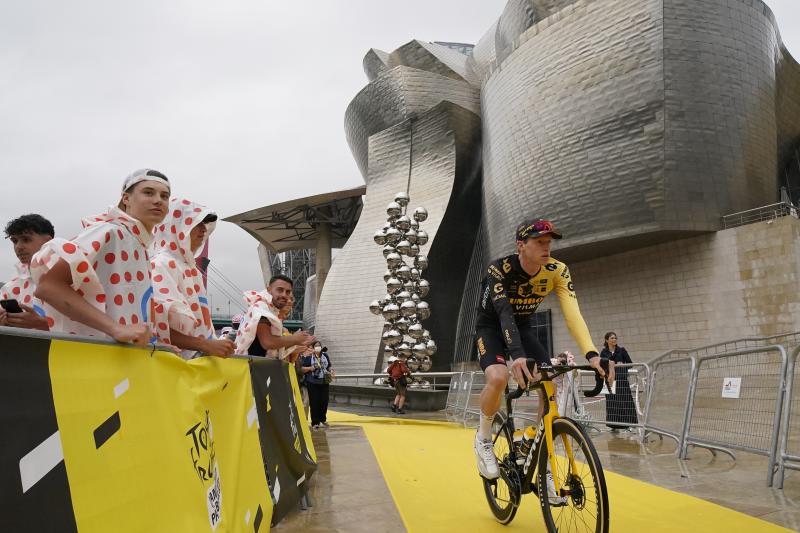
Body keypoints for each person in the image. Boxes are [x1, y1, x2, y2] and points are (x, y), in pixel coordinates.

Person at [472, 218, 604, 487]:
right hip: (492, 327)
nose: (547, 248)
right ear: (521, 245)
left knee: (549, 384)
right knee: (498, 377)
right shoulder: (500, 269)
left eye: (549, 242)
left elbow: (572, 314)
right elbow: (504, 312)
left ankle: (535, 445)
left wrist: (592, 354)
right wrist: (517, 355)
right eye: (540, 242)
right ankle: (483, 439)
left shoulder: (558, 270)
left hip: (522, 327)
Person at [32, 169, 171, 344]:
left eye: (164, 196)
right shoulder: (111, 231)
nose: (158, 200)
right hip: (98, 357)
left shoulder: (136, 242)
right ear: (126, 199)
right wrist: (116, 328)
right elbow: (49, 287)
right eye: (148, 193)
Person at [150, 197, 233, 359]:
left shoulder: (190, 268)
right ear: (176, 226)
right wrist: (205, 345)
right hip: (168, 367)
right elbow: (156, 327)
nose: (203, 230)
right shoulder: (161, 264)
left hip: (188, 366)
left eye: (205, 224)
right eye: (196, 224)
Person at [234, 275, 314, 356]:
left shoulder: (270, 310)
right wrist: (295, 339)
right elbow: (267, 342)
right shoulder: (262, 309)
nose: (284, 295)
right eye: (280, 290)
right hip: (251, 366)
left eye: (288, 292)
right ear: (269, 290)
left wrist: (296, 341)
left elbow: (272, 347)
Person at [0, 214, 54, 330]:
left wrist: (44, 325)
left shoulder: (72, 279)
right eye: (14, 241)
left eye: (26, 239)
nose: (18, 247)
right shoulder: (9, 288)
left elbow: (88, 328)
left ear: (48, 241)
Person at [600, 331, 638, 430]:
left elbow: (630, 363)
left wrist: (622, 366)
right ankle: (613, 425)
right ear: (607, 340)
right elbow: (602, 364)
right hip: (610, 380)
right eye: (612, 338)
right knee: (612, 403)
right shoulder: (604, 352)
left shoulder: (622, 350)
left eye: (615, 338)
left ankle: (629, 425)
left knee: (625, 402)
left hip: (621, 380)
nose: (614, 340)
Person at [302, 341, 333, 429]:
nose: (318, 347)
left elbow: (329, 366)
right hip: (312, 382)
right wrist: (311, 368)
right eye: (316, 346)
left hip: (324, 381)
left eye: (319, 345)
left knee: (324, 401)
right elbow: (302, 369)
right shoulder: (309, 357)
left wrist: (331, 371)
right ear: (312, 347)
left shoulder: (325, 355)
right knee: (314, 402)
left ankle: (322, 419)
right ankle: (315, 422)